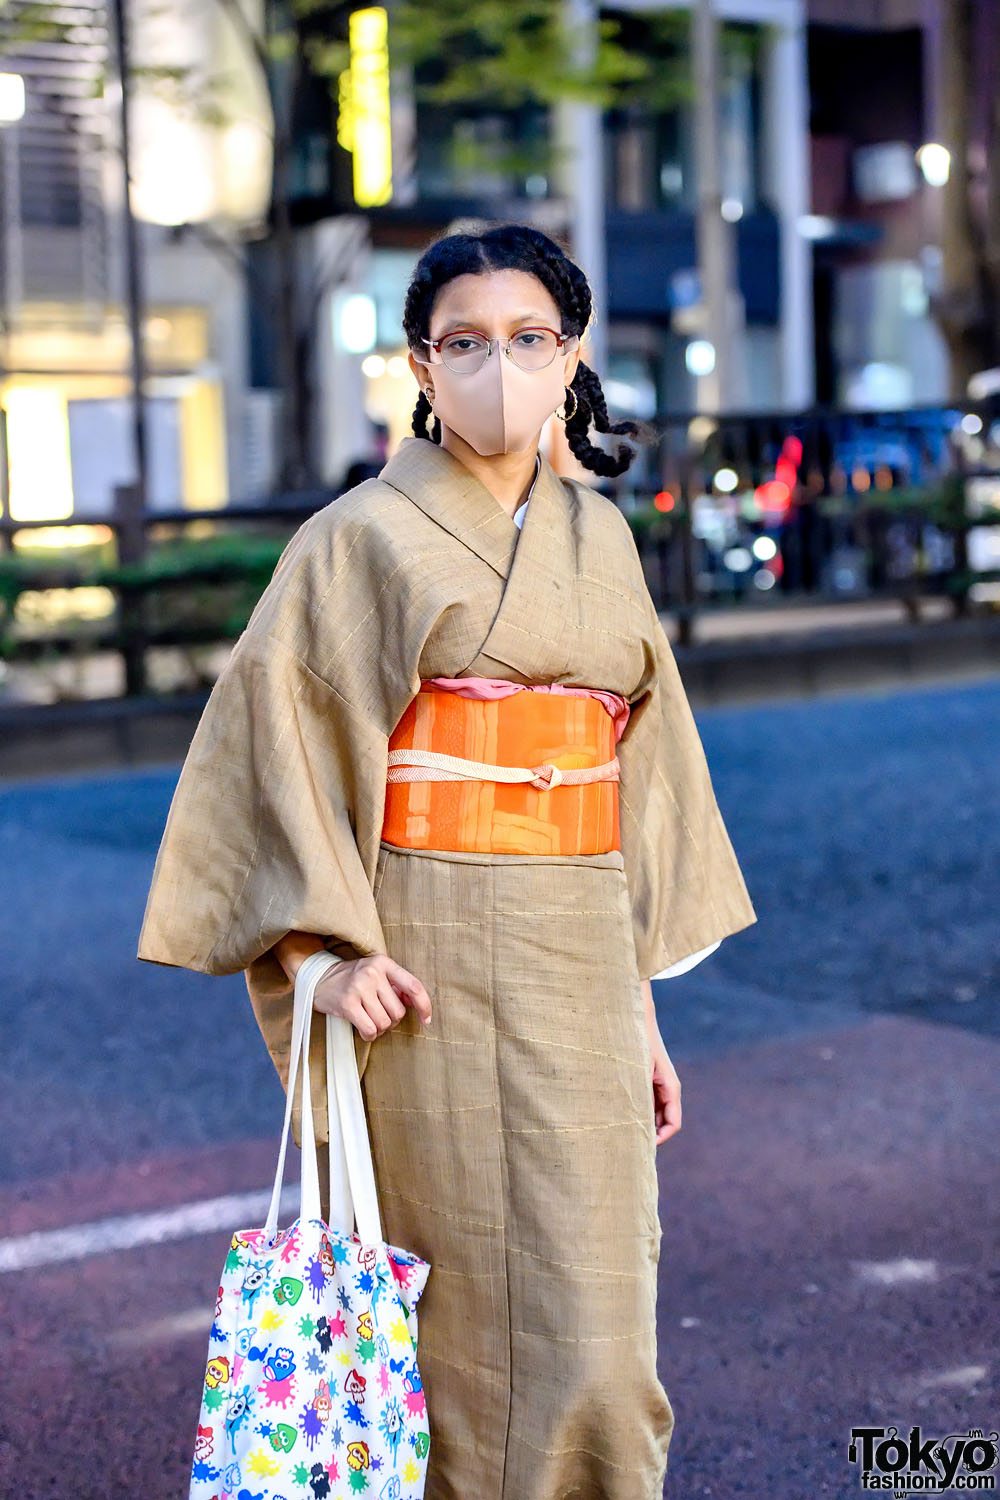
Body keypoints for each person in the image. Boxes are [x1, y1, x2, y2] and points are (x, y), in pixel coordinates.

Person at [137, 222, 757, 1500]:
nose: (498, 369)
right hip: (423, 958)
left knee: (599, 1311)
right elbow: (280, 751)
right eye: (464, 344)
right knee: (452, 1308)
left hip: (578, 947)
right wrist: (323, 948)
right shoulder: (358, 537)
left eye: (529, 342)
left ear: (571, 356)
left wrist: (638, 1009)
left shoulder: (601, 538)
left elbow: (638, 778)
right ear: (420, 365)